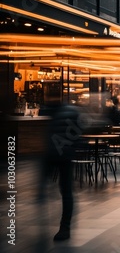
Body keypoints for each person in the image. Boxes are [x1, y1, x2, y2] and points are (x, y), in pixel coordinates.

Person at [38, 88, 83, 241]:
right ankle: (65, 227)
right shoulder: (72, 111)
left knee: (45, 189)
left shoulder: (48, 112)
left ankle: (45, 221)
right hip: (65, 156)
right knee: (67, 192)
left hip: (51, 156)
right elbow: (78, 132)